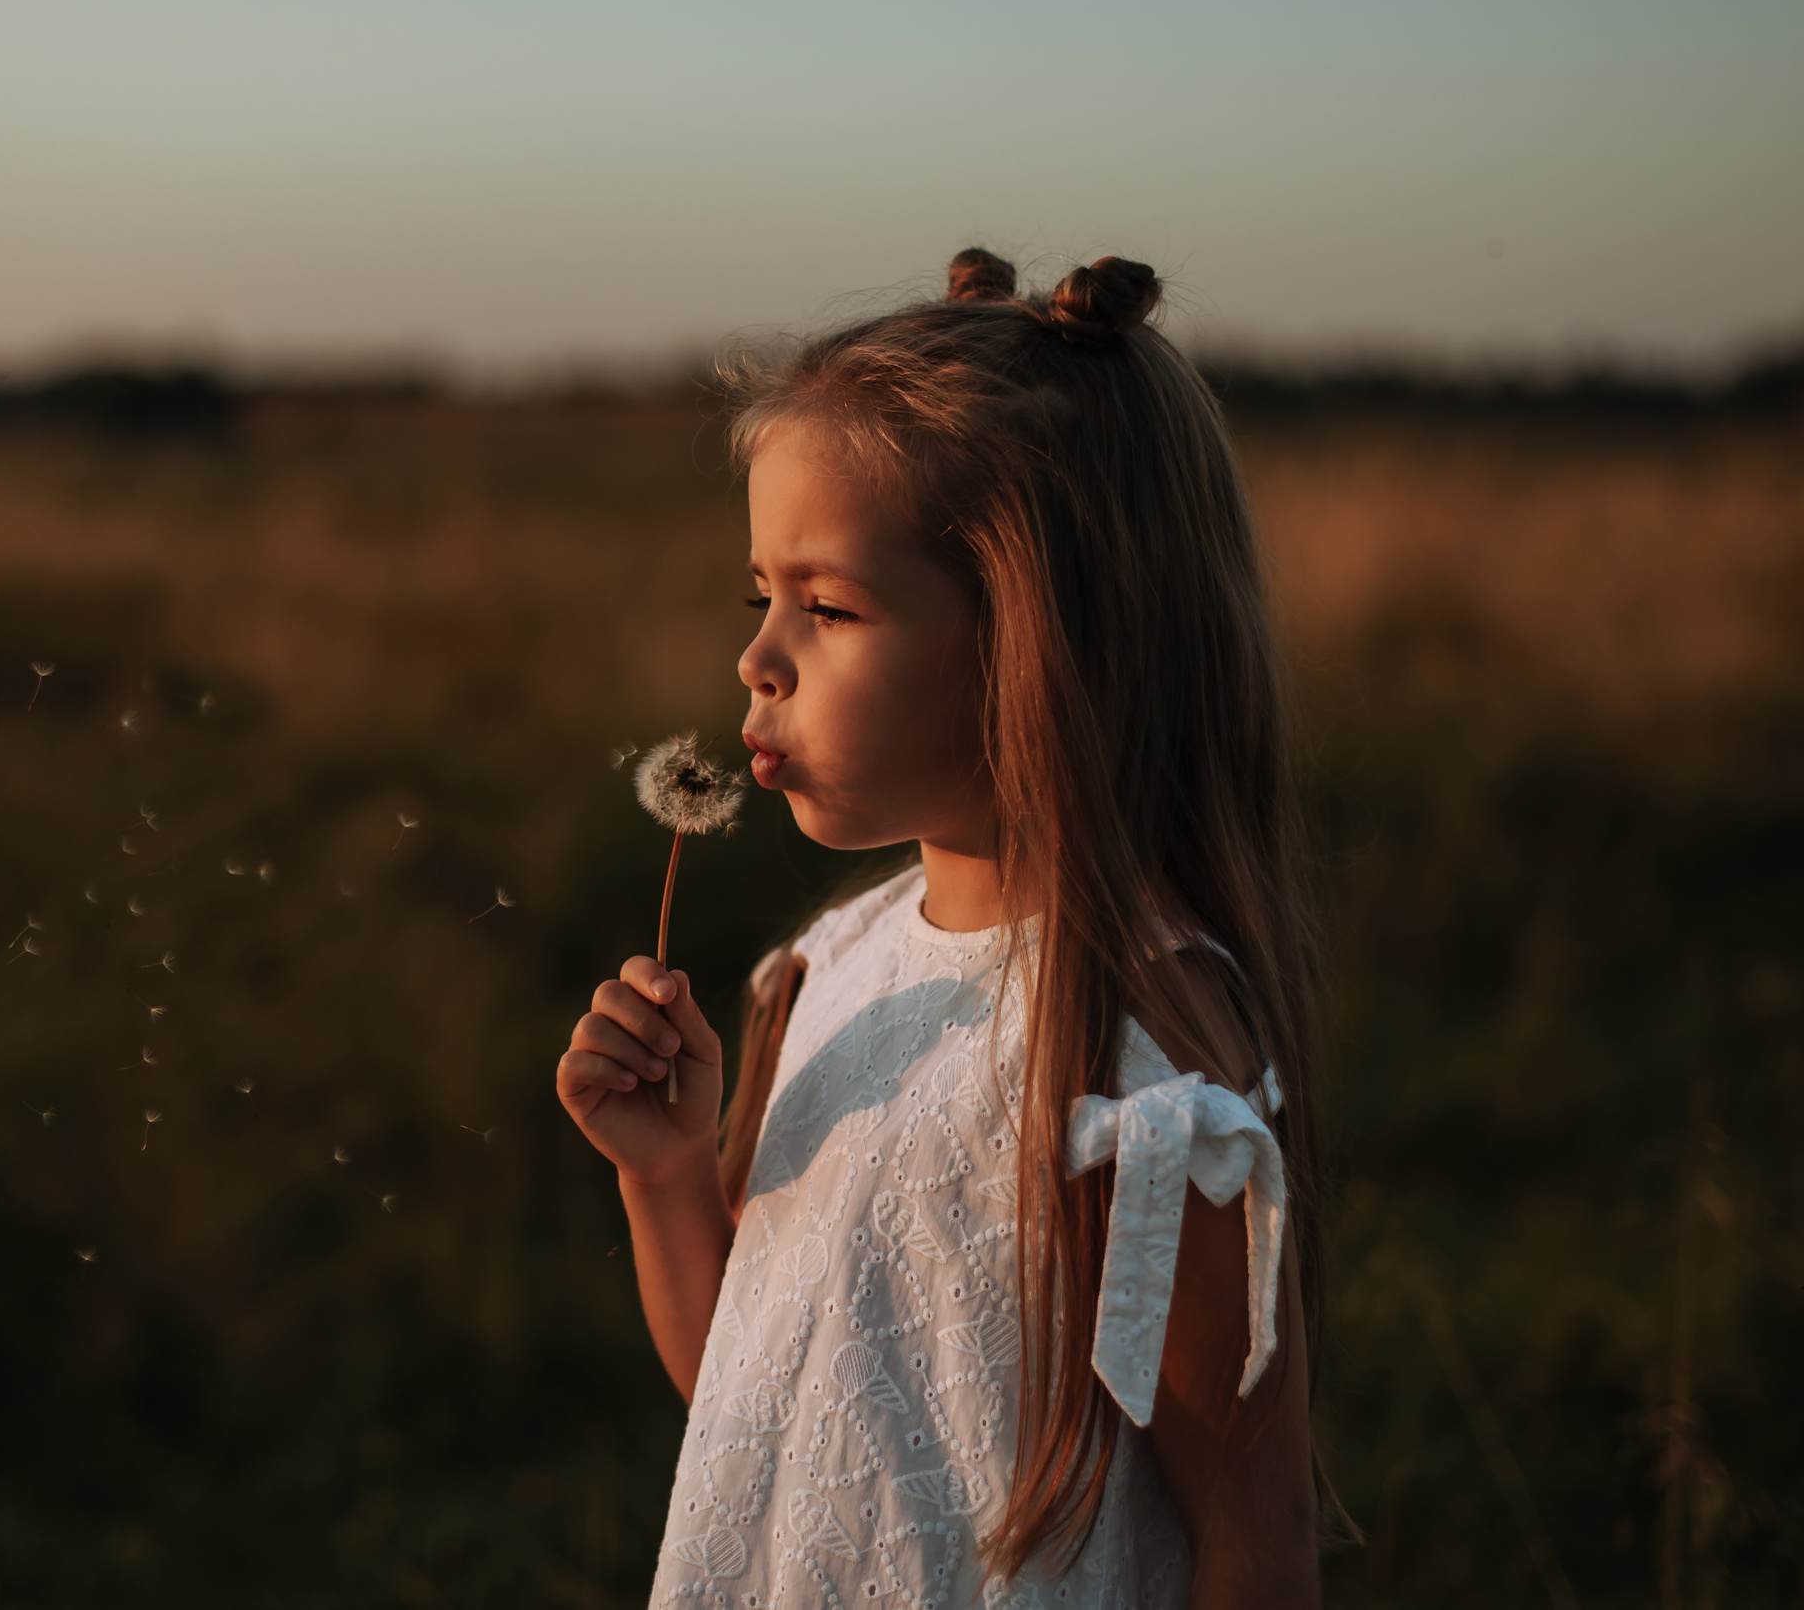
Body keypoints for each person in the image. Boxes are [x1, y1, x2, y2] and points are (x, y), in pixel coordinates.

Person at [556, 248, 1330, 1608]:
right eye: (763, 598)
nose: (759, 657)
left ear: (1043, 643)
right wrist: (667, 1175)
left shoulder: (1138, 1073)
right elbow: (765, 1407)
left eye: (831, 606)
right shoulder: (825, 971)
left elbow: (1257, 1549)